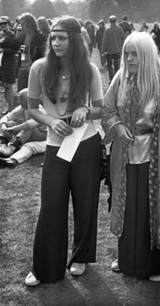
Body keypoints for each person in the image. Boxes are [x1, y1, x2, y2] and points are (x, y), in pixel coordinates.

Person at [101, 31, 160, 281]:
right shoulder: (120, 78)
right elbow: (108, 109)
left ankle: (153, 265)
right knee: (126, 208)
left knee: (150, 211)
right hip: (124, 157)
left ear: (147, 55)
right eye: (127, 54)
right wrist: (118, 126)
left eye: (135, 55)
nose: (129, 59)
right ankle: (126, 259)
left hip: (155, 159)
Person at [24, 16, 104, 286]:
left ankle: (79, 257)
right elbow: (32, 108)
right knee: (51, 205)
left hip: (86, 144)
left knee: (85, 204)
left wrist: (84, 109)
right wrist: (51, 121)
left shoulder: (89, 70)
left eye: (62, 38)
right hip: (55, 146)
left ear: (74, 40)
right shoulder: (39, 68)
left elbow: (100, 109)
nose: (56, 42)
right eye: (53, 38)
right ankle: (45, 267)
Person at [0, 88, 47, 167]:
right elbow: (7, 116)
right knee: (10, 123)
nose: (18, 101)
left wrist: (12, 129)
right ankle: (3, 144)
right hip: (29, 134)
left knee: (29, 128)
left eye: (21, 99)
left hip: (41, 136)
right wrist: (4, 126)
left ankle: (12, 147)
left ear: (28, 100)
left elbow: (30, 124)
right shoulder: (23, 107)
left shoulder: (41, 110)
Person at [15, 13, 46, 92]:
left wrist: (32, 66)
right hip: (22, 68)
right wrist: (17, 36)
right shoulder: (22, 35)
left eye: (22, 24)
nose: (20, 26)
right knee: (21, 94)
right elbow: (16, 48)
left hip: (33, 68)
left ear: (29, 24)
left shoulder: (39, 36)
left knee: (33, 94)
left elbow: (42, 55)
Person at [0, 16, 18, 115]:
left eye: (4, 23)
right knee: (5, 86)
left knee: (8, 86)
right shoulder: (1, 34)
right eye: (0, 24)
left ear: (8, 23)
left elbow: (16, 50)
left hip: (9, 62)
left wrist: (4, 50)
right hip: (1, 63)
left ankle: (11, 109)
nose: (2, 25)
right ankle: (10, 107)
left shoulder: (12, 35)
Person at [102, 15, 125, 82]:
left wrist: (103, 51)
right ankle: (116, 80)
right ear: (116, 20)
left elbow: (105, 41)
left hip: (109, 51)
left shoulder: (108, 30)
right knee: (117, 66)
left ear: (109, 21)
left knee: (110, 66)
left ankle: (111, 79)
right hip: (117, 50)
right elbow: (123, 39)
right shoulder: (120, 29)